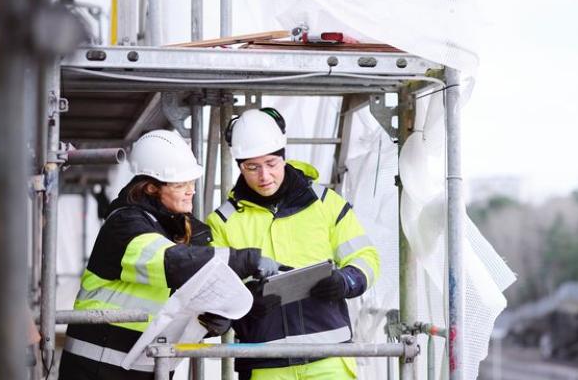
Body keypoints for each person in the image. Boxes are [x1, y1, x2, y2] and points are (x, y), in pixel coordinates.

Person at [59, 129, 287, 380]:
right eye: (180, 184)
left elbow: (190, 296)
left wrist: (213, 320)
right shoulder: (125, 224)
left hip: (150, 366)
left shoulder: (185, 229)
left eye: (192, 182)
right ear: (150, 188)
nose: (191, 191)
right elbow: (173, 263)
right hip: (96, 368)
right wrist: (245, 260)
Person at [206, 108, 380, 380]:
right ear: (239, 166)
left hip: (329, 357)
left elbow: (366, 257)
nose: (264, 176)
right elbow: (215, 291)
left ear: (284, 157)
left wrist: (345, 281)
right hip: (264, 363)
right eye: (252, 167)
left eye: (271, 164)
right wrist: (248, 301)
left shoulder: (326, 204)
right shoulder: (222, 222)